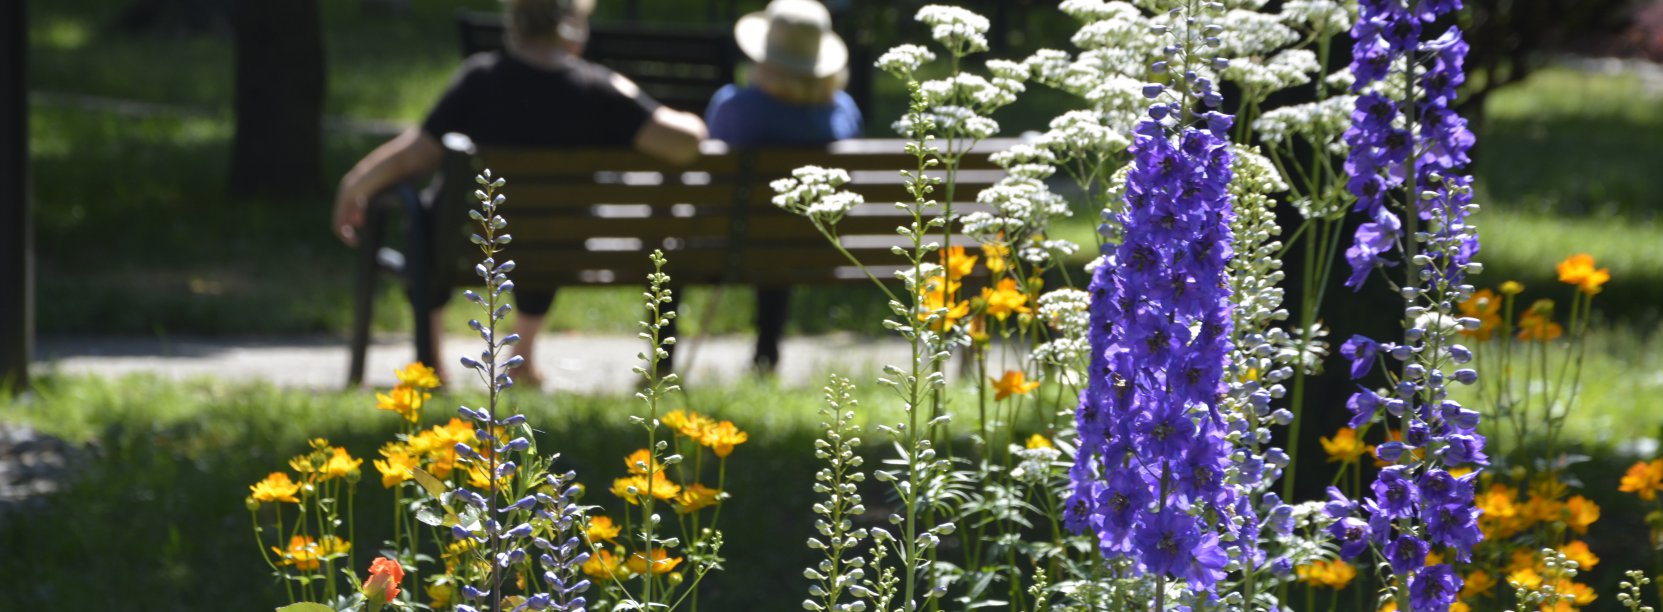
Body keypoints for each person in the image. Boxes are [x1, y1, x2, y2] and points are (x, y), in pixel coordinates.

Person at [331, 0, 708, 387]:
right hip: (558, 250)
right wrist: (626, 90)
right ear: (571, 26)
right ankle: (522, 360)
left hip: (468, 248)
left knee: (432, 214)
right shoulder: (598, 89)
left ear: (513, 21)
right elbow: (686, 142)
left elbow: (415, 155)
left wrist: (356, 182)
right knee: (553, 220)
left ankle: (431, 366)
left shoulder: (479, 79)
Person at [705, 0, 862, 372]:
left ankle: (663, 364)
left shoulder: (734, 107)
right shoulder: (842, 113)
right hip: (814, 244)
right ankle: (766, 354)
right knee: (780, 235)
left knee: (684, 239)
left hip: (728, 243)